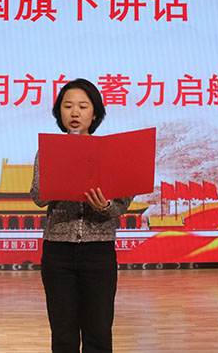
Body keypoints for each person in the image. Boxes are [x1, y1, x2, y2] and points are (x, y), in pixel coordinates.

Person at [30, 78, 134, 353]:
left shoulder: (111, 153)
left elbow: (121, 204)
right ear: (59, 113)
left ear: (95, 114)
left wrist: (104, 206)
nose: (74, 113)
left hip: (99, 251)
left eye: (82, 106)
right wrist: (62, 173)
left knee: (98, 332)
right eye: (67, 106)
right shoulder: (48, 150)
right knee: (63, 334)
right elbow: (38, 196)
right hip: (58, 251)